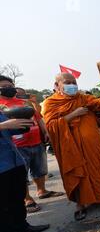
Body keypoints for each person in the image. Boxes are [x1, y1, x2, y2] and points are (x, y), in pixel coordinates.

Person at [43, 73, 100, 221]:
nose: (72, 85)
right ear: (57, 85)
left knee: (95, 168)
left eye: (74, 82)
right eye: (68, 82)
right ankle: (80, 204)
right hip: (70, 146)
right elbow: (50, 126)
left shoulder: (83, 98)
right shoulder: (50, 103)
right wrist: (74, 114)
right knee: (76, 172)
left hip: (90, 144)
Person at [0, 79, 50, 232]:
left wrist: (21, 125)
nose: (8, 89)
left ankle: (22, 226)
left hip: (13, 159)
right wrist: (4, 125)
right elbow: (4, 126)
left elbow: (9, 130)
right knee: (3, 202)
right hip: (1, 165)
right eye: (3, 87)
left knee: (16, 197)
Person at [0, 81, 64, 214]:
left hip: (36, 140)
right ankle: (27, 198)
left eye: (10, 86)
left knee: (40, 168)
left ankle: (42, 190)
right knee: (22, 174)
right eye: (4, 86)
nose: (9, 88)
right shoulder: (1, 105)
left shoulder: (24, 102)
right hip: (17, 145)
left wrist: (45, 132)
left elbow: (38, 117)